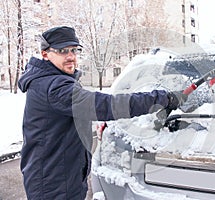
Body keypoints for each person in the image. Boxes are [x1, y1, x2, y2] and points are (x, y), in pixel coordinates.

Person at [18, 26, 187, 200]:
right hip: (54, 184)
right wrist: (160, 99)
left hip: (59, 176)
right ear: (45, 54)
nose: (71, 57)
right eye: (62, 51)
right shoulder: (54, 87)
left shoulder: (50, 81)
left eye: (74, 50)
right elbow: (107, 106)